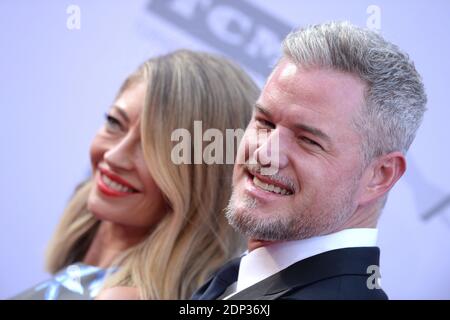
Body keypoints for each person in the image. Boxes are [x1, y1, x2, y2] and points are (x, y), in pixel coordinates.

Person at [192, 21, 427, 300]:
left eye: (308, 140)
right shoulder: (238, 278)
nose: (265, 154)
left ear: (380, 175)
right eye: (265, 122)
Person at [12, 50, 259, 300]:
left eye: (153, 148)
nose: (114, 156)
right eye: (114, 122)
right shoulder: (90, 254)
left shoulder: (123, 296)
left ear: (201, 182)